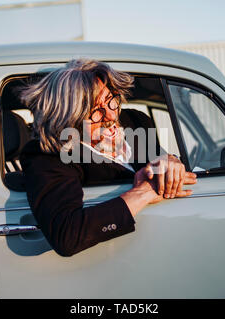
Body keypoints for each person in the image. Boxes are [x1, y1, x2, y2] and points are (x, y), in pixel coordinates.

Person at [19, 59, 197, 257]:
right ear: (68, 119)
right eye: (95, 111)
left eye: (111, 100)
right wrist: (143, 193)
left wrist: (171, 161)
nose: (111, 115)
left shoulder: (136, 122)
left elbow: (160, 162)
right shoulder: (47, 156)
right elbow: (66, 236)